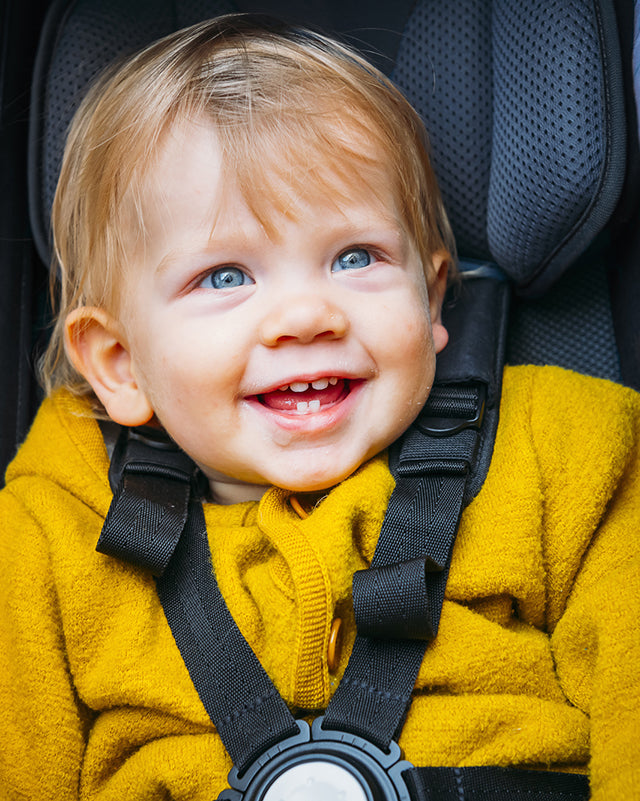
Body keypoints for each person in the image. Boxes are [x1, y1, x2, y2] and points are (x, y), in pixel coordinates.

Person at [1, 14, 639, 801]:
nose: (307, 316)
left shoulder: (567, 451)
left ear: (432, 295)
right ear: (121, 363)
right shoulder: (57, 515)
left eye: (355, 257)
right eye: (226, 276)